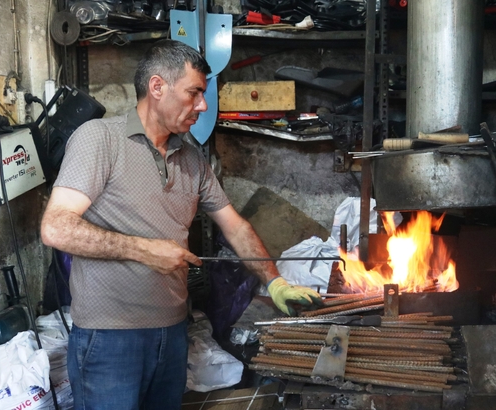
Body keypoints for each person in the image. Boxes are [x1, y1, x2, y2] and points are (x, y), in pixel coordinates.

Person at [40, 39, 322, 410]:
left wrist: (276, 281)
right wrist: (144, 250)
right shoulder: (99, 140)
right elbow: (56, 228)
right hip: (109, 338)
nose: (202, 106)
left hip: (172, 334)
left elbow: (234, 226)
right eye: (194, 93)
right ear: (157, 87)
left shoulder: (191, 159)